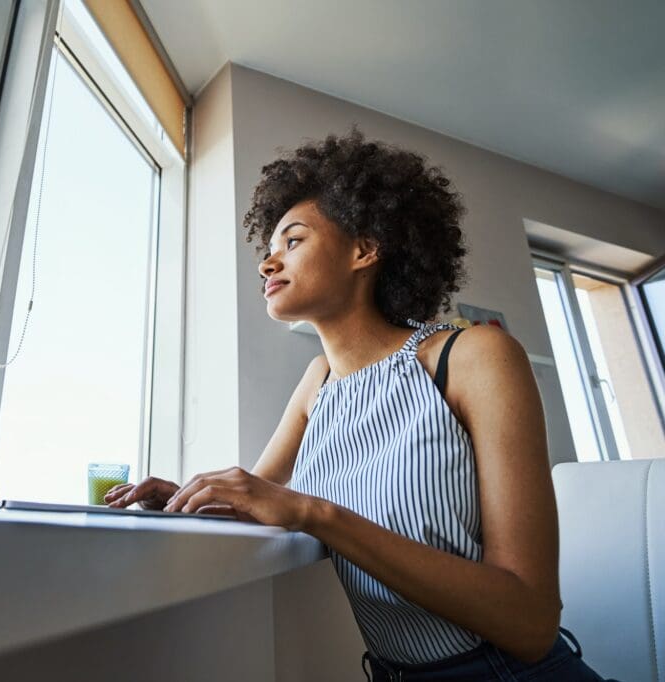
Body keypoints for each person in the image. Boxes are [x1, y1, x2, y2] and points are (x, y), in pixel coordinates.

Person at [104, 127, 615, 681]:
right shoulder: (317, 382)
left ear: (365, 250)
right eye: (268, 250)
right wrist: (186, 499)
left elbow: (531, 623)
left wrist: (317, 514)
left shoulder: (474, 357)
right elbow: (258, 501)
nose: (267, 264)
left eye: (292, 241)